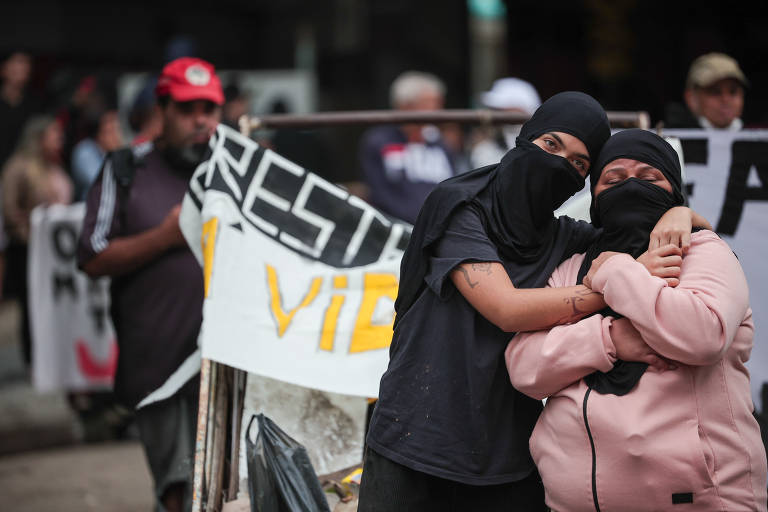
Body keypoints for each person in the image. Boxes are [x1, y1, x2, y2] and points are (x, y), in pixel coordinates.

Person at [358, 92, 709, 511]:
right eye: (550, 145)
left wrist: (680, 214)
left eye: (579, 164)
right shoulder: (461, 207)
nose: (559, 165)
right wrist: (615, 287)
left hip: (508, 456)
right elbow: (506, 309)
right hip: (415, 445)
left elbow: (636, 227)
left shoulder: (564, 238)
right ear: (524, 140)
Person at [506, 129, 767, 511]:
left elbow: (702, 335)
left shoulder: (702, 252)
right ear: (595, 197)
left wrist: (616, 272)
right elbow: (525, 367)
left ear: (673, 191)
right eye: (613, 179)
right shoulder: (573, 267)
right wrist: (610, 338)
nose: (630, 188)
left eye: (649, 179)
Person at [77, 56, 224, 512]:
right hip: (158, 364)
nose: (200, 120)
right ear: (162, 111)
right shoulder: (125, 168)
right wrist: (163, 238)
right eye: (187, 108)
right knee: (179, 490)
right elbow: (92, 255)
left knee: (226, 488)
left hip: (228, 361)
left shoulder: (236, 169)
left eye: (209, 108)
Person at [2, 115, 72, 364]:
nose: (59, 140)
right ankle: (34, 358)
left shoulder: (54, 166)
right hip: (29, 249)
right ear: (39, 138)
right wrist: (31, 229)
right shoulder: (19, 167)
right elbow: (9, 209)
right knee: (32, 305)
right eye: (54, 134)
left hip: (56, 249)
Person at [359, 71, 460, 224]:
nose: (438, 110)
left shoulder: (440, 143)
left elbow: (455, 186)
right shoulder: (379, 141)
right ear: (406, 105)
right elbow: (379, 193)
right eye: (431, 103)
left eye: (439, 103)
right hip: (397, 229)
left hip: (440, 229)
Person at [469, 77, 541, 168]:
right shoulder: (484, 150)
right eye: (495, 109)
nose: (495, 113)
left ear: (522, 110)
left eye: (502, 108)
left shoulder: (543, 147)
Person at [665, 52, 747, 130]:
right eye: (715, 92)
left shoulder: (756, 140)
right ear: (691, 98)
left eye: (733, 92)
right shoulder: (672, 141)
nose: (725, 99)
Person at [71, 109, 123, 201]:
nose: (116, 136)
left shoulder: (118, 153)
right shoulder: (85, 151)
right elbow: (98, 182)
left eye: (118, 130)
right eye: (111, 131)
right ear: (99, 134)